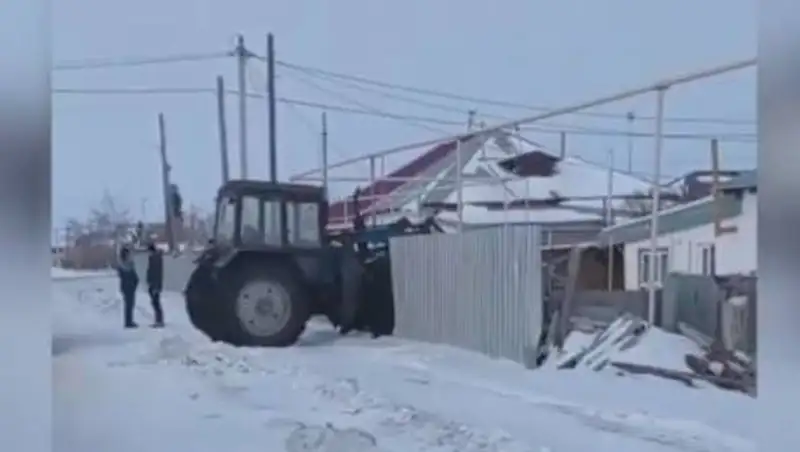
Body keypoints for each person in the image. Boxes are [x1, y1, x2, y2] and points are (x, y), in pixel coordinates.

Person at [116, 246, 140, 328]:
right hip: (128, 287)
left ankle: (128, 321)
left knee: (129, 304)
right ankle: (128, 322)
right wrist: (134, 283)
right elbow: (133, 277)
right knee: (129, 304)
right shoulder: (128, 265)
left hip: (127, 286)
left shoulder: (123, 265)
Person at [146, 243, 165, 327]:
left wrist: (155, 286)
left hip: (155, 284)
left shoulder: (155, 259)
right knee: (155, 302)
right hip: (153, 284)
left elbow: (156, 273)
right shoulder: (154, 258)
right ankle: (158, 319)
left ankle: (159, 320)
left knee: (156, 302)